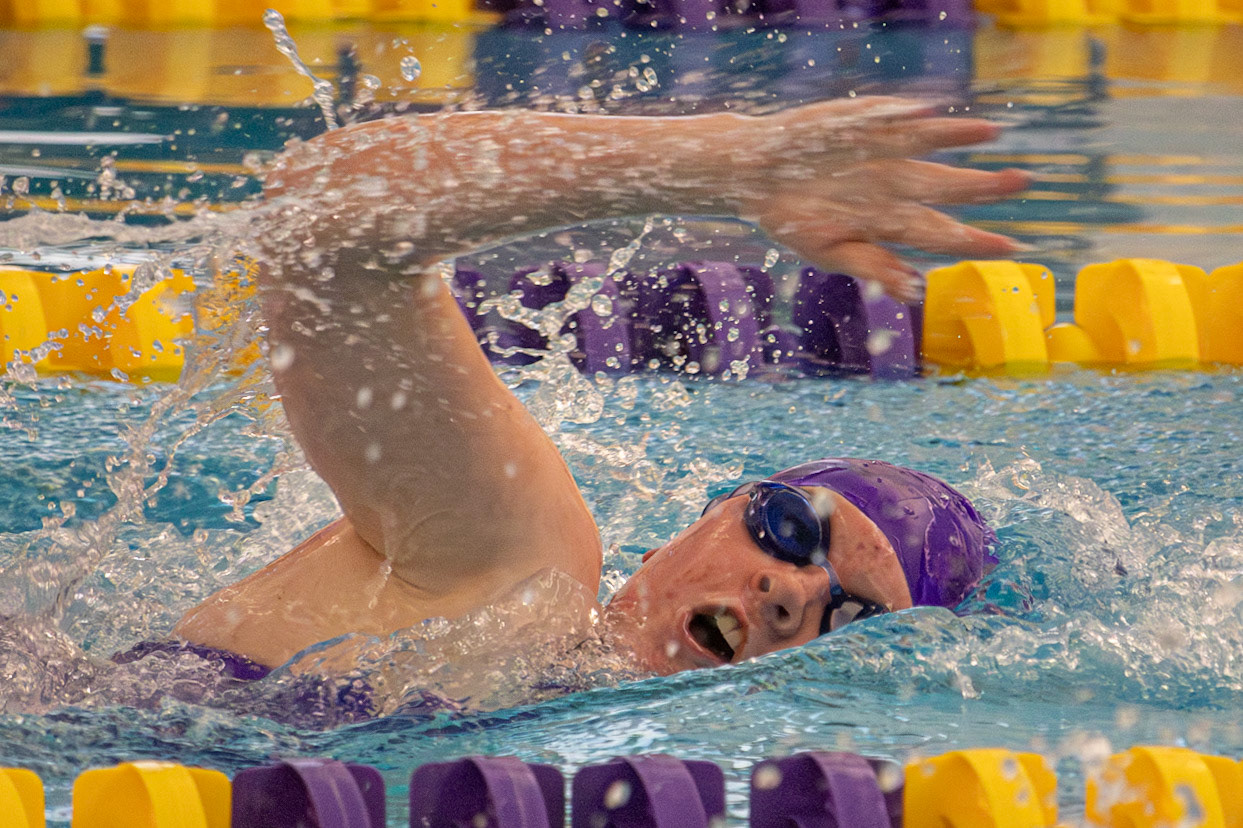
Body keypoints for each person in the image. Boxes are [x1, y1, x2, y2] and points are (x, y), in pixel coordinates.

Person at [166, 98, 1028, 686]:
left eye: (850, 619)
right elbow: (324, 211)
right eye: (789, 530)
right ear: (694, 525)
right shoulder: (521, 572)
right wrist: (734, 162)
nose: (792, 593)